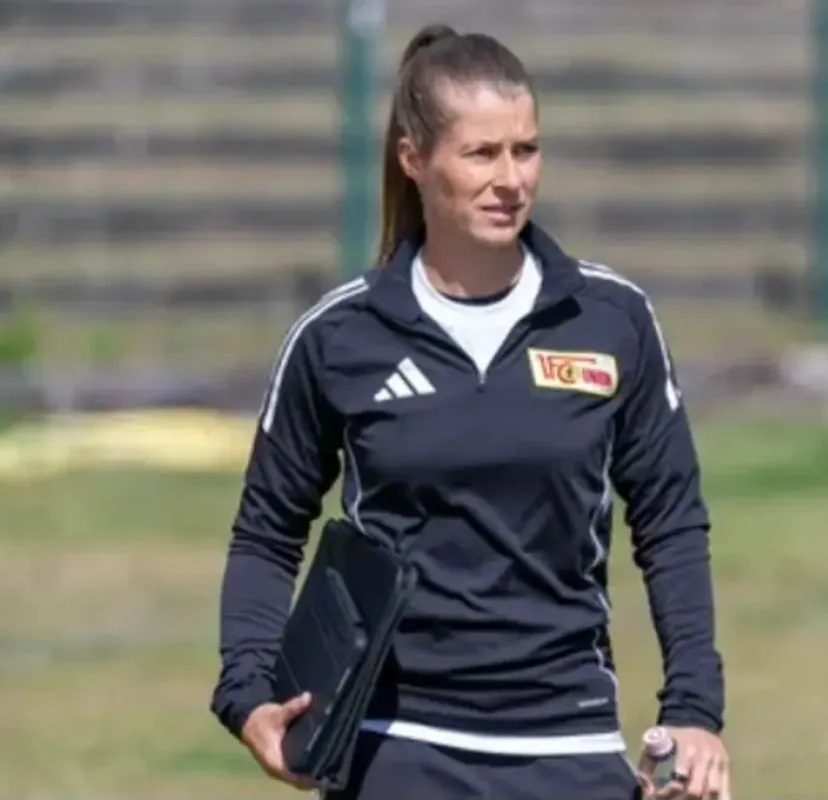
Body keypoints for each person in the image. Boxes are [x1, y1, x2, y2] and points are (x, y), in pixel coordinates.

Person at [210, 23, 731, 800]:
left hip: (570, 738)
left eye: (526, 150)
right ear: (414, 158)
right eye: (482, 154)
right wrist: (249, 693)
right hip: (395, 745)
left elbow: (672, 524)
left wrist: (694, 710)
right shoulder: (339, 337)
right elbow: (267, 531)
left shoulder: (610, 319)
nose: (510, 179)